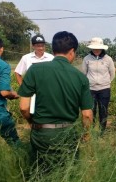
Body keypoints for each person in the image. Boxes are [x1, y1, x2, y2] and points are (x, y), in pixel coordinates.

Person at [18, 31, 93, 170]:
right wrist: (86, 134)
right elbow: (87, 115)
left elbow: (23, 107)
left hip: (41, 134)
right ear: (72, 51)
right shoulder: (80, 77)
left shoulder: (35, 70)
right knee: (66, 173)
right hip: (67, 134)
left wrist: (31, 122)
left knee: (39, 173)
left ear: (53, 50)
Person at [79, 37, 115, 132]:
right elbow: (83, 74)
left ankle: (102, 131)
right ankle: (92, 130)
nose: (96, 50)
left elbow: (112, 74)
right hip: (91, 89)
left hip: (104, 89)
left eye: (98, 48)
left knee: (103, 110)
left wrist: (105, 82)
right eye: (94, 48)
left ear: (102, 48)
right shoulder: (87, 59)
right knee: (91, 110)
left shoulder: (108, 59)